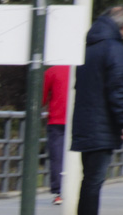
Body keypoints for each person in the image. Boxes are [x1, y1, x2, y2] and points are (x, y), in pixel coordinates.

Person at [69, 6, 123, 215]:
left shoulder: (89, 47)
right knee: (94, 178)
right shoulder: (115, 48)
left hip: (85, 120)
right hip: (102, 122)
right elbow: (118, 87)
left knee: (89, 177)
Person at [42, 65, 70, 205]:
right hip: (80, 120)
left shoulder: (52, 71)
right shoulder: (83, 68)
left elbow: (41, 98)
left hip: (56, 120)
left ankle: (58, 193)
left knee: (57, 157)